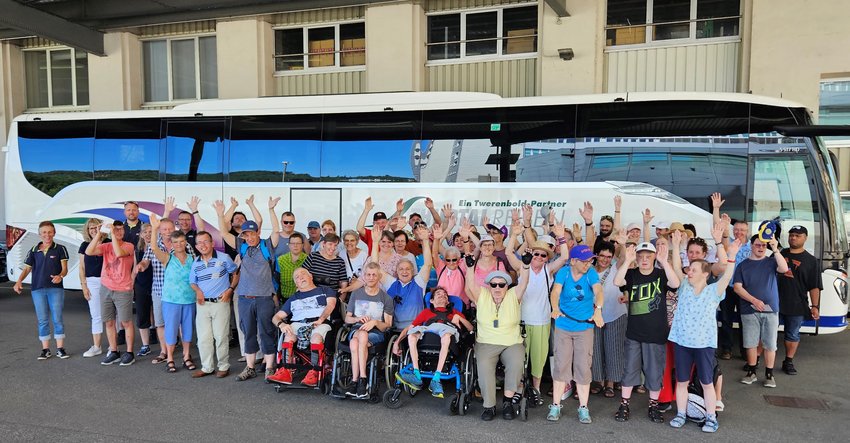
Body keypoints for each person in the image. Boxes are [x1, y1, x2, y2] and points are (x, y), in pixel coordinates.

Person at [667, 230, 740, 433]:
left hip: (704, 344)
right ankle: (680, 413)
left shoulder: (713, 291)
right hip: (682, 342)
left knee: (707, 382)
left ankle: (710, 417)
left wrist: (731, 255)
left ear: (705, 274)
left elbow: (727, 276)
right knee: (681, 381)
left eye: (693, 269)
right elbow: (674, 268)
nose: (688, 272)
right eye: (689, 269)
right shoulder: (684, 287)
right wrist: (675, 246)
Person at [504, 218, 570, 405]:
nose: (539, 258)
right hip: (522, 321)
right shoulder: (522, 267)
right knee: (519, 359)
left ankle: (536, 390)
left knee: (539, 360)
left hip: (542, 321)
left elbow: (564, 257)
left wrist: (561, 237)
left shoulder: (548, 270)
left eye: (543, 255)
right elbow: (509, 253)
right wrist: (515, 235)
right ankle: (518, 389)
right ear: (531, 254)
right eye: (536, 254)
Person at [613, 241, 681, 423]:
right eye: (640, 256)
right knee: (629, 370)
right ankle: (624, 404)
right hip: (634, 333)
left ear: (653, 257)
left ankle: (653, 405)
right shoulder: (632, 274)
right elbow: (617, 281)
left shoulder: (660, 275)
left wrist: (664, 262)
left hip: (656, 333)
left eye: (648, 256)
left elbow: (676, 283)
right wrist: (627, 261)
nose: (644, 260)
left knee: (654, 371)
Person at [215, 197, 282, 382]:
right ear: (243, 235)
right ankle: (250, 367)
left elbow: (276, 231)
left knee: (266, 331)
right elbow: (223, 231)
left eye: (252, 233)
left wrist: (271, 210)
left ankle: (269, 368)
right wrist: (221, 214)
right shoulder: (242, 247)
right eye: (246, 234)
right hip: (244, 297)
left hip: (264, 298)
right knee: (248, 332)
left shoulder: (267, 246)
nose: (250, 237)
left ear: (258, 232)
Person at [547, 244, 605, 423]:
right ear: (573, 261)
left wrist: (598, 309)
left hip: (584, 328)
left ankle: (583, 408)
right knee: (561, 365)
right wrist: (555, 307)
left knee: (582, 367)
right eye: (584, 261)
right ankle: (556, 406)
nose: (588, 264)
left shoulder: (591, 273)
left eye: (590, 260)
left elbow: (599, 291)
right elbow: (556, 291)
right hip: (564, 326)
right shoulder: (564, 272)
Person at [466, 268, 529, 421]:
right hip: (486, 342)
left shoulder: (514, 295)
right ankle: (489, 406)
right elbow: (470, 284)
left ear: (507, 286)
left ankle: (507, 402)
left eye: (502, 285)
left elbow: (525, 282)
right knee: (484, 366)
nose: (497, 288)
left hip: (511, 342)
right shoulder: (482, 295)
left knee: (516, 363)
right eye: (494, 285)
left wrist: (525, 266)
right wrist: (469, 267)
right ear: (489, 286)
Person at [393, 286, 473, 398]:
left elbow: (470, 329)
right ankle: (416, 374)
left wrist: (459, 318)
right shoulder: (426, 312)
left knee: (446, 336)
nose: (442, 295)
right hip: (428, 331)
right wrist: (396, 343)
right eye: (438, 294)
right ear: (431, 300)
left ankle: (436, 378)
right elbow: (409, 328)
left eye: (445, 295)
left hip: (446, 330)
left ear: (448, 301)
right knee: (412, 334)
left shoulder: (454, 312)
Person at [735, 234, 789, 388]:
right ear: (751, 246)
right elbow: (738, 288)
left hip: (771, 309)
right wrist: (754, 300)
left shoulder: (772, 262)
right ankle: (751, 372)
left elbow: (784, 269)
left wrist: (775, 248)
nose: (760, 248)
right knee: (750, 343)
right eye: (758, 245)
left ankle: (769, 374)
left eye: (763, 246)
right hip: (749, 309)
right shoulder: (742, 265)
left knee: (770, 343)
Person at [267, 268, 338, 386]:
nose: (300, 278)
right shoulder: (293, 298)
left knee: (316, 336)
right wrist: (282, 324)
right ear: (296, 283)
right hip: (298, 323)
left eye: (303, 274)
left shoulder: (325, 290)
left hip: (320, 322)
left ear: (310, 275)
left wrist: (321, 319)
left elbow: (331, 305)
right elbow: (276, 317)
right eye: (297, 277)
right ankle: (286, 370)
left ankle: (315, 371)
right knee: (289, 334)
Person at [13, 221, 70, 360]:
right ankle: (45, 350)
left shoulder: (60, 249)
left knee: (57, 318)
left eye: (50, 232)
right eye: (44, 232)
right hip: (37, 289)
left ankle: (60, 349)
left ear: (54, 233)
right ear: (39, 234)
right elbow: (27, 268)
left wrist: (60, 276)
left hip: (55, 289)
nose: (47, 235)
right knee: (42, 320)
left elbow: (65, 269)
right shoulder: (33, 250)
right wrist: (19, 281)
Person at [149, 214, 197, 374]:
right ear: (172, 243)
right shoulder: (167, 258)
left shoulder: (192, 258)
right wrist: (155, 229)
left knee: (188, 329)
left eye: (182, 241)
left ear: (185, 242)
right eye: (175, 242)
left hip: (189, 299)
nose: (179, 244)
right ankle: (170, 358)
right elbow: (154, 248)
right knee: (171, 328)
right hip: (171, 300)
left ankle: (186, 356)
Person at [86, 221, 137, 366]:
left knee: (125, 322)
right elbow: (89, 252)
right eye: (116, 230)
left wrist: (112, 233)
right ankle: (114, 351)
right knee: (109, 322)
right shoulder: (106, 245)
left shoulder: (128, 246)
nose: (118, 232)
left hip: (123, 289)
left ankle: (129, 352)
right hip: (106, 288)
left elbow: (119, 254)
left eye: (120, 230)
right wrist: (99, 234)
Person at [189, 231, 239, 378]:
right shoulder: (196, 262)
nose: (202, 245)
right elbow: (192, 281)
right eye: (199, 243)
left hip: (220, 303)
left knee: (221, 336)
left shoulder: (224, 258)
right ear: (196, 246)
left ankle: (223, 366)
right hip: (203, 304)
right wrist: (197, 290)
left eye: (205, 241)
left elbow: (235, 273)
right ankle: (207, 367)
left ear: (212, 243)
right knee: (204, 338)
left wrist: (230, 290)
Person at [344, 262, 395, 399]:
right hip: (356, 329)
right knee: (359, 337)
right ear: (364, 277)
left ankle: (355, 381)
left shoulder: (386, 298)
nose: (371, 277)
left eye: (374, 275)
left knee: (356, 342)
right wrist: (357, 319)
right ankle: (362, 380)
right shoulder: (356, 294)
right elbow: (347, 319)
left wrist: (375, 322)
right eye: (368, 275)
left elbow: (388, 325)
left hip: (376, 334)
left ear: (379, 277)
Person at [777, 225, 822, 375]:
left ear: (805, 238)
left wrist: (815, 306)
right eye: (791, 235)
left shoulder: (811, 261)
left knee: (793, 334)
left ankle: (788, 361)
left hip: (797, 303)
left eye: (798, 235)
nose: (793, 238)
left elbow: (814, 286)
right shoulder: (779, 254)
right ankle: (755, 361)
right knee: (766, 333)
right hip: (774, 302)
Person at [712, 193, 749, 360]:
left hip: (744, 289)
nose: (739, 232)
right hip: (727, 287)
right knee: (726, 320)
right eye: (737, 230)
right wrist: (717, 210)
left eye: (742, 230)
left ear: (747, 232)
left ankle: (745, 350)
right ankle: (726, 349)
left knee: (744, 321)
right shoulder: (729, 243)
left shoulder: (754, 247)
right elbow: (720, 233)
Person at [590, 239, 627, 400]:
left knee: (614, 349)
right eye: (602, 255)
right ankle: (597, 380)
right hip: (593, 316)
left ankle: (610, 383)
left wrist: (623, 244)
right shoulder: (589, 270)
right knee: (595, 348)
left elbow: (625, 259)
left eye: (609, 256)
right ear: (596, 255)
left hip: (615, 314)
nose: (605, 259)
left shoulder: (616, 267)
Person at [79, 218, 107, 358]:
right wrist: (84, 286)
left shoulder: (108, 243)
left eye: (97, 228)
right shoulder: (84, 245)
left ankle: (115, 346)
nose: (94, 230)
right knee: (96, 314)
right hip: (92, 282)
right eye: (91, 228)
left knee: (112, 314)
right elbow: (82, 267)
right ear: (87, 230)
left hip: (109, 281)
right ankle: (97, 346)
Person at [133, 223, 155, 357]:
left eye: (151, 232)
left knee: (162, 314)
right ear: (141, 234)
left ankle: (172, 341)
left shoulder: (159, 247)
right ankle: (145, 345)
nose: (148, 234)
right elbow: (135, 267)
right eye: (145, 232)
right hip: (141, 284)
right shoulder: (138, 249)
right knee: (142, 314)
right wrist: (132, 283)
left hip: (157, 283)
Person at [277, 232, 308, 300]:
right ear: (289, 245)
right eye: (293, 243)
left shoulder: (308, 260)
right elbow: (276, 281)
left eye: (298, 243)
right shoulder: (280, 260)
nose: (295, 246)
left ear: (302, 245)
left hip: (304, 299)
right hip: (285, 299)